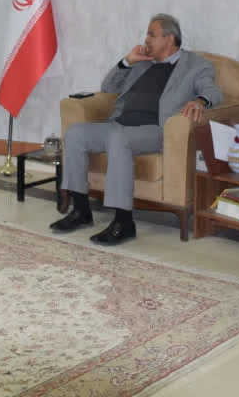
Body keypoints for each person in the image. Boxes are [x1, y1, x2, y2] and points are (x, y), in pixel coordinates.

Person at [50, 13, 220, 245]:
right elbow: (108, 87)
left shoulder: (195, 65)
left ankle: (124, 222)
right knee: (75, 133)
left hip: (155, 129)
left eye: (152, 34)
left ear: (169, 39)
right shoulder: (142, 63)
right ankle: (80, 210)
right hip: (119, 124)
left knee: (119, 139)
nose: (146, 40)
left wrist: (200, 101)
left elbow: (212, 92)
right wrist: (128, 61)